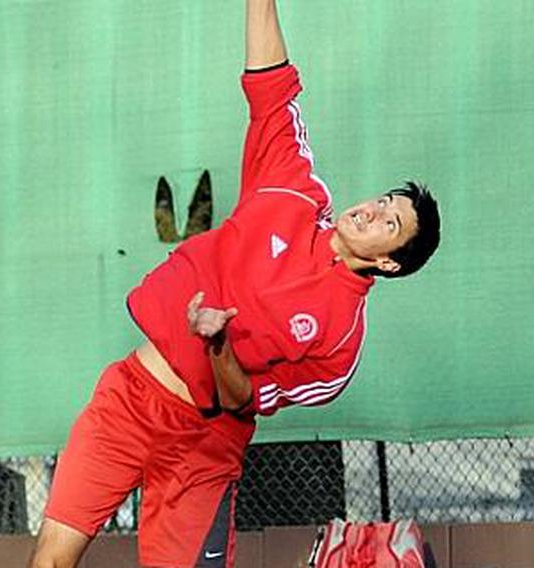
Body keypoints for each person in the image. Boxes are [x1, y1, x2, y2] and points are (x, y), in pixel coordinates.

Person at [29, 0, 440, 566]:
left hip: (205, 446)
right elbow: (272, 85)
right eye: (383, 200)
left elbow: (242, 397)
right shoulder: (292, 185)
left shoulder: (341, 342)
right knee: (52, 557)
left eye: (389, 223)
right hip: (130, 398)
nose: (372, 211)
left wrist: (217, 342)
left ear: (390, 263)